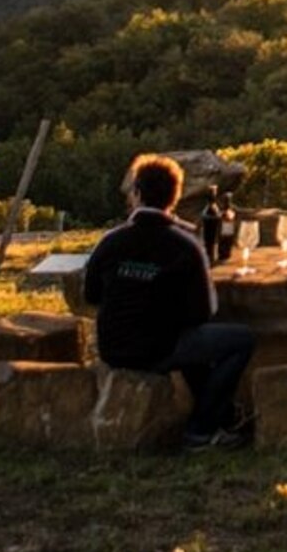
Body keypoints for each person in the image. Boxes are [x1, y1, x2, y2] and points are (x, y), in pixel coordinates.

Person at [81, 153, 260, 450]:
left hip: (113, 346)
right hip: (158, 348)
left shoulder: (110, 241)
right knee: (241, 340)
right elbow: (204, 312)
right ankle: (201, 430)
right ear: (174, 199)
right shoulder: (185, 246)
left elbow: (91, 296)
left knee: (192, 346)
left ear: (137, 193)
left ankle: (224, 417)